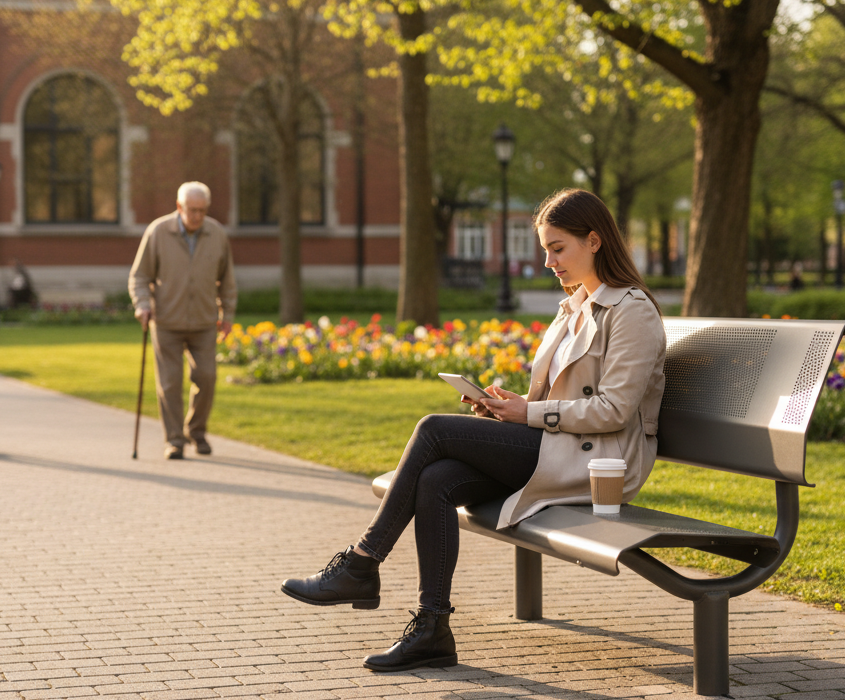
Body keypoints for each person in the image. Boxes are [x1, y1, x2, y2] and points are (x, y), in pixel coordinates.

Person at [280, 188, 667, 672]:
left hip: (601, 464)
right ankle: (432, 630)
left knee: (434, 429)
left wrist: (526, 414)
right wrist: (505, 408)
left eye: (557, 248)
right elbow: (556, 402)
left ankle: (363, 562)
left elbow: (613, 411)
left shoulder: (631, 310)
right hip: (561, 447)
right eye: (544, 249)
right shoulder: (575, 307)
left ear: (594, 241)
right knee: (437, 479)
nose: (548, 261)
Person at [129, 182, 237, 459]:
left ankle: (196, 431)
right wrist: (142, 306)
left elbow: (227, 280)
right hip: (166, 322)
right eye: (192, 210)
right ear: (179, 207)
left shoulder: (216, 234)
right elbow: (139, 276)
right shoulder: (158, 232)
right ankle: (175, 440)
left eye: (202, 210)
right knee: (170, 383)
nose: (197, 216)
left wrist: (228, 315)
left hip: (203, 321)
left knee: (207, 377)